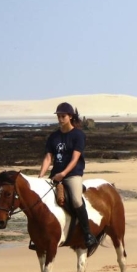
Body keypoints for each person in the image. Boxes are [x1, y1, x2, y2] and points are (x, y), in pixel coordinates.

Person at [37, 102, 101, 256]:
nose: (60, 119)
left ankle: (87, 234)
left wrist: (64, 173)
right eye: (58, 116)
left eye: (63, 116)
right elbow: (48, 158)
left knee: (77, 201)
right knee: (40, 201)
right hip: (55, 175)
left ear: (70, 117)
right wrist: (41, 176)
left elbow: (75, 158)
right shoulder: (53, 136)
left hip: (72, 174)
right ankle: (37, 237)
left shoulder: (78, 135)